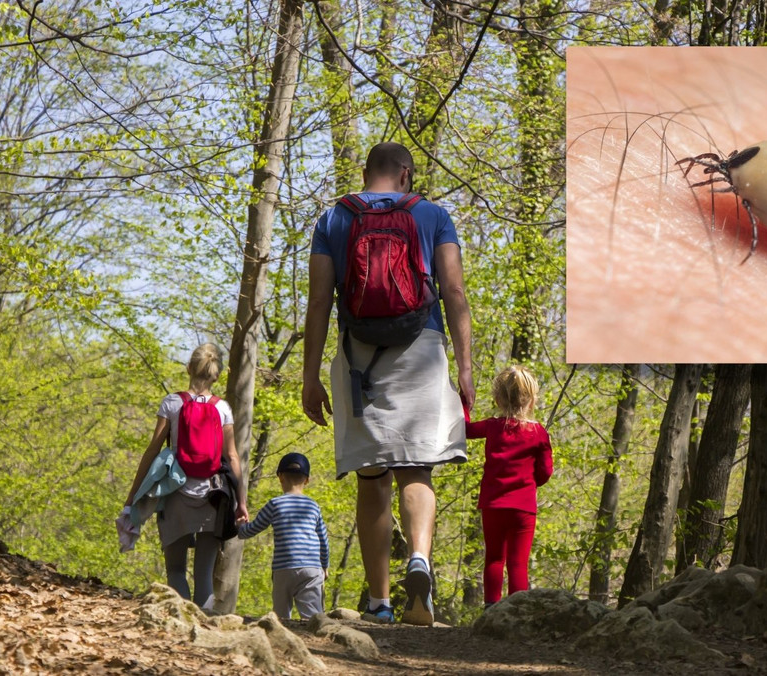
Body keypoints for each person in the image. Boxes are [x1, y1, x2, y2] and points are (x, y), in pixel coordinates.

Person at [301, 141, 474, 626]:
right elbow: (454, 290)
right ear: (405, 173)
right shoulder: (432, 215)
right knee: (417, 470)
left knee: (372, 478)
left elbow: (319, 301)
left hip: (361, 358)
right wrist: (464, 368)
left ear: (365, 172)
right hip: (421, 347)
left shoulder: (335, 218)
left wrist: (311, 375)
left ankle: (379, 603)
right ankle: (419, 558)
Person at [124, 343, 247, 610]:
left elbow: (153, 450)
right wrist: (241, 502)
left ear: (189, 368)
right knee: (204, 575)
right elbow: (233, 457)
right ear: (217, 375)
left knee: (176, 570)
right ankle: (205, 630)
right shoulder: (223, 408)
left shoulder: (172, 403)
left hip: (175, 494)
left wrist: (133, 494)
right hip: (214, 498)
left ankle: (182, 627)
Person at [463, 366, 553, 607]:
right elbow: (545, 473)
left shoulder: (492, 427)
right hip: (523, 508)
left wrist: (464, 403)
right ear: (532, 399)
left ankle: (491, 606)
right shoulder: (539, 433)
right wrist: (531, 482)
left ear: (498, 399)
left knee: (494, 558)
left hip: (493, 504)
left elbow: (465, 430)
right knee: (518, 563)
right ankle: (517, 610)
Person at [236, 452, 330, 620]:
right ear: (307, 480)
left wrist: (241, 526)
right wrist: (325, 565)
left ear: (280, 477)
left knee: (281, 617)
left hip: (283, 567)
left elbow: (251, 530)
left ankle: (281, 640)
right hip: (312, 568)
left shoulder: (275, 504)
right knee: (314, 618)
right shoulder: (313, 506)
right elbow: (323, 539)